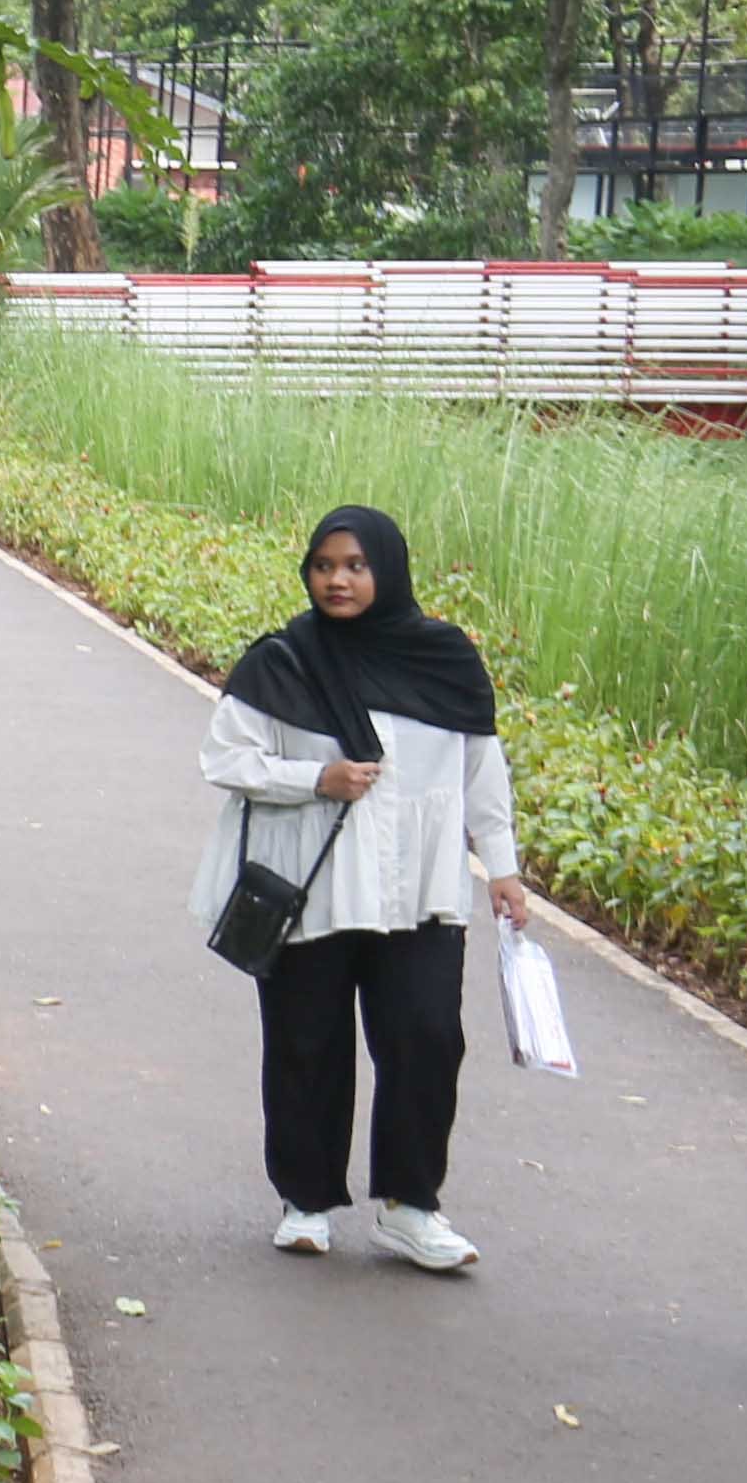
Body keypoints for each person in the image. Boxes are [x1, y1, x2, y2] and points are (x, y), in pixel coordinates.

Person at [196, 504, 526, 1272]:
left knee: (425, 1039)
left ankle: (411, 1207)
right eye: (322, 566)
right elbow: (224, 757)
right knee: (305, 1042)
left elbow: (482, 769)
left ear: (387, 569)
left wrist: (502, 867)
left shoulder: (444, 659)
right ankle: (305, 1200)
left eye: (353, 566)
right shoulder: (283, 660)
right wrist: (316, 777)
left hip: (420, 888)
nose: (335, 580)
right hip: (317, 887)